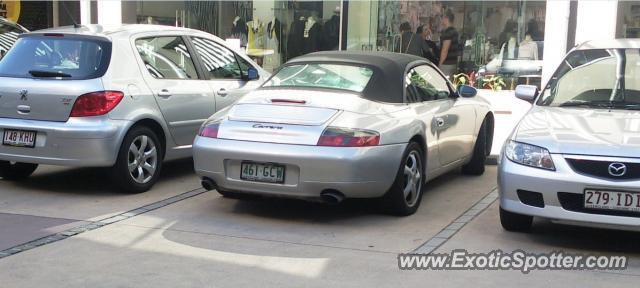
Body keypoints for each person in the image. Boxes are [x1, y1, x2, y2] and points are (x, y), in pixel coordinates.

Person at [439, 9, 460, 76]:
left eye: (442, 17)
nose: (441, 19)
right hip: (453, 63)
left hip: (446, 64)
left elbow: (445, 50)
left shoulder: (448, 32)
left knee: (444, 84)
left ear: (446, 18)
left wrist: (440, 64)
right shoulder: (455, 31)